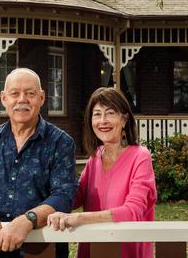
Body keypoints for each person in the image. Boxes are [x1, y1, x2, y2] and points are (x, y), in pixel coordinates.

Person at [0, 68, 77, 257]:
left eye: (30, 93)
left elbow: (64, 196)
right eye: (15, 94)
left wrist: (27, 220)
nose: (22, 100)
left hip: (42, 251)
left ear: (42, 98)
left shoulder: (61, 143)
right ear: (3, 98)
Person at [47, 87, 157, 258]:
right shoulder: (95, 158)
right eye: (97, 114)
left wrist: (78, 218)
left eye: (110, 113)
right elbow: (73, 198)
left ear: (124, 118)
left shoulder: (140, 156)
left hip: (127, 252)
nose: (103, 121)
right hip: (93, 250)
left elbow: (132, 211)